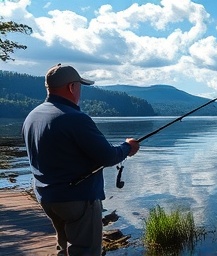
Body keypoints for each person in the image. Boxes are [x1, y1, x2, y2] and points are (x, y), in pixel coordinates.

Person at [22, 63, 140, 255]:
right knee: (86, 251)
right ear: (71, 87)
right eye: (79, 86)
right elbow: (108, 156)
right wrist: (128, 147)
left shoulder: (32, 117)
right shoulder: (75, 118)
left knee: (63, 248)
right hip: (76, 199)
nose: (80, 92)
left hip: (47, 197)